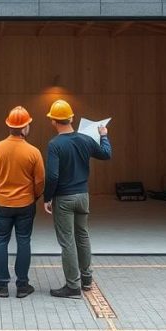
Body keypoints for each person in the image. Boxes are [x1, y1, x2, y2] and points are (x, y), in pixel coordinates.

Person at [43, 99, 112, 298]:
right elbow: (106, 154)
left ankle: (72, 286)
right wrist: (104, 136)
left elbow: (53, 175)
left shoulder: (55, 144)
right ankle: (87, 279)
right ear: (72, 118)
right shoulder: (85, 139)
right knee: (83, 236)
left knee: (67, 242)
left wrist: (48, 197)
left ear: (53, 121)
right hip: (83, 196)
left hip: (64, 199)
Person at [0, 106, 45, 299]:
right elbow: (40, 181)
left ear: (9, 125)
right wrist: (34, 196)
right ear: (25, 127)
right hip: (26, 204)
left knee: (1, 241)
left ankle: (1, 285)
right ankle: (23, 286)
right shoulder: (33, 152)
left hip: (3, 203)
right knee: (24, 241)